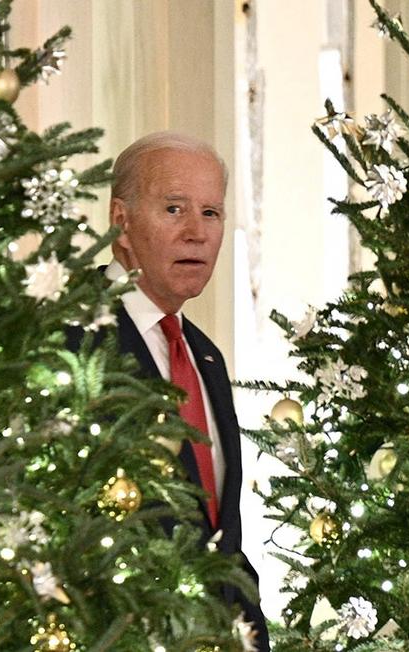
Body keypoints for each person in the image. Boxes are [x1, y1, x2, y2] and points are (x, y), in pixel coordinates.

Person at [106, 131, 269, 649]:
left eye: (211, 213)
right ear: (121, 220)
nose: (196, 232)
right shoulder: (74, 336)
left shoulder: (204, 356)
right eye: (174, 209)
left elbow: (223, 545)